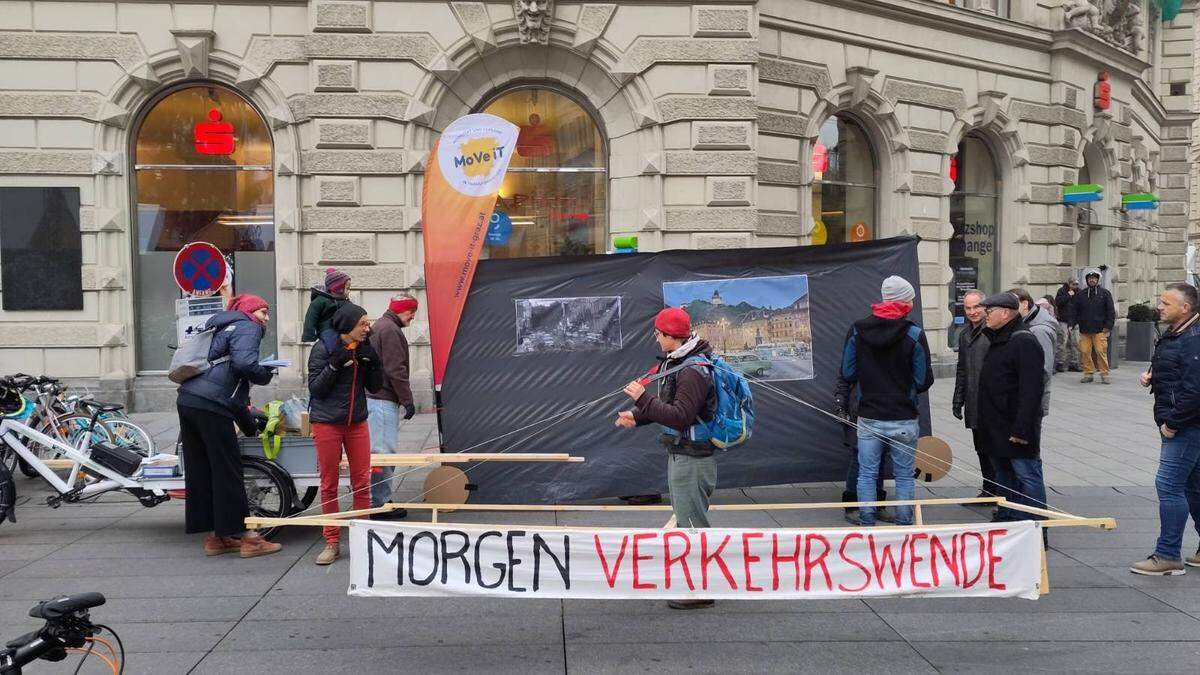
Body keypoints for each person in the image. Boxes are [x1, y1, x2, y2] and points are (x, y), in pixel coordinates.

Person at [615, 307, 717, 610]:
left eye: (659, 334)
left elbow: (681, 417)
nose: (656, 339)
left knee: (692, 524)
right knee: (688, 520)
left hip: (692, 457)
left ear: (672, 336)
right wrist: (637, 416)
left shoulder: (691, 371)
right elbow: (672, 408)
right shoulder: (681, 362)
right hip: (684, 453)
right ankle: (694, 583)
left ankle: (699, 590)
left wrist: (642, 399)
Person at [176, 294, 281, 559]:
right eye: (262, 312)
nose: (266, 318)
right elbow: (245, 365)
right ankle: (249, 539)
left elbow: (237, 397)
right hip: (212, 404)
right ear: (248, 311)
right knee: (227, 472)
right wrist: (265, 372)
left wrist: (248, 427)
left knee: (203, 471)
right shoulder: (248, 326)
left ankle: (218, 537)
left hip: (189, 399)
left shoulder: (220, 326)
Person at [838, 276, 933, 527]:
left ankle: (867, 522)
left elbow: (848, 372)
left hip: (869, 414)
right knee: (903, 476)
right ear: (906, 301)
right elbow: (923, 379)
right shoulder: (914, 333)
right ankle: (904, 522)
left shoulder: (859, 329)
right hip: (903, 415)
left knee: (867, 474)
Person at [1131, 283, 1200, 575]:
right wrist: (1153, 376)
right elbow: (1179, 372)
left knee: (1169, 485)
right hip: (1184, 421)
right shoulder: (1179, 333)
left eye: (1166, 303)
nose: (1159, 307)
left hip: (1186, 424)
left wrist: (1172, 423)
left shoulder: (1193, 338)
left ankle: (1168, 555)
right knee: (1193, 487)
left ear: (1185, 308)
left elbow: (1196, 390)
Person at [308, 302, 383, 565]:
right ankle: (332, 542)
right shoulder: (322, 348)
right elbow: (316, 389)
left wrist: (374, 365)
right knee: (329, 485)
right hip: (327, 423)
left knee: (362, 481)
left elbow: (375, 386)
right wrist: (334, 366)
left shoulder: (362, 347)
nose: (367, 328)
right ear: (347, 325)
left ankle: (363, 540)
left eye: (367, 323)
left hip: (357, 422)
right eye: (362, 324)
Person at [975, 292, 1047, 524]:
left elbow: (1031, 390)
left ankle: (1036, 528)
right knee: (1004, 476)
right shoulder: (999, 338)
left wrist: (1022, 429)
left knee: (1027, 477)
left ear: (1005, 313)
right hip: (997, 426)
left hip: (1016, 428)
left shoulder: (1023, 340)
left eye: (989, 311)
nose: (985, 315)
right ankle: (1010, 521)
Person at [367, 295, 419, 517]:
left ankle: (377, 500)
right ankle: (380, 504)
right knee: (383, 453)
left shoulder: (382, 325)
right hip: (382, 400)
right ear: (402, 310)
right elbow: (396, 370)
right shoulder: (390, 330)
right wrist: (407, 400)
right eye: (411, 311)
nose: (413, 316)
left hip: (375, 397)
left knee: (379, 452)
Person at [952, 289, 995, 497]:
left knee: (995, 450)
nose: (972, 312)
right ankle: (989, 489)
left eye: (976, 307)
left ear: (985, 306)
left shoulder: (993, 331)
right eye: (968, 308)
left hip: (992, 403)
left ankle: (1000, 491)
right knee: (981, 448)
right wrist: (957, 399)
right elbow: (962, 369)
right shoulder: (964, 334)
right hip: (973, 401)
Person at [834, 374, 890, 524]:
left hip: (883, 409)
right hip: (859, 411)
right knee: (859, 457)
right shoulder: (855, 350)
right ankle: (851, 506)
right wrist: (840, 406)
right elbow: (843, 379)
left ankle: (877, 505)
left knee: (880, 456)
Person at [1011, 287, 1055, 417]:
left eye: (1013, 305)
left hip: (1031, 401)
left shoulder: (1039, 330)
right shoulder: (1025, 323)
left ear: (1025, 304)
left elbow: (1043, 369)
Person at [1073, 269, 1116, 384]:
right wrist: (1072, 323)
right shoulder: (1081, 294)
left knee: (1100, 351)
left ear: (1098, 280)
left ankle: (1104, 374)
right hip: (1084, 329)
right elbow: (1075, 310)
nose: (1092, 280)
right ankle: (1088, 373)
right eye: (1090, 278)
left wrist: (1108, 326)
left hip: (1099, 329)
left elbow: (1111, 311)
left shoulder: (1105, 294)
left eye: (1094, 278)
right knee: (1085, 351)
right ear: (1087, 280)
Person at [302, 267, 351, 342]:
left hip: (343, 332)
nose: (349, 291)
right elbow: (310, 318)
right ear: (338, 289)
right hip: (326, 331)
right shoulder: (320, 301)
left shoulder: (345, 302)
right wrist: (309, 336)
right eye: (347, 288)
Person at [1054, 278, 1081, 372]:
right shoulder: (1061, 291)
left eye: (1077, 284)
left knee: (1076, 343)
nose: (1075, 286)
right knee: (1062, 342)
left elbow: (1080, 305)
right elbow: (1058, 302)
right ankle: (1059, 363)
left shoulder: (1079, 292)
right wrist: (1068, 295)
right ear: (1069, 284)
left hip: (1075, 321)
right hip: (1063, 320)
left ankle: (1074, 363)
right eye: (1074, 284)